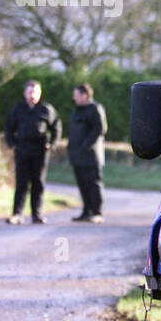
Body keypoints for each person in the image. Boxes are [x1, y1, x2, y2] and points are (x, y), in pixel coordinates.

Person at [4, 80, 59, 224]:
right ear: (25, 93)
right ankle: (17, 213)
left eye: (35, 92)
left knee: (38, 182)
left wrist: (52, 144)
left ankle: (37, 214)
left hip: (40, 150)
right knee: (21, 183)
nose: (33, 95)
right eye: (30, 92)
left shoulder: (46, 109)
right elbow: (8, 126)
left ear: (40, 93)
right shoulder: (18, 109)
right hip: (22, 149)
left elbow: (56, 127)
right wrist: (11, 143)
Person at [68, 83, 107, 223]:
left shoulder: (95, 109)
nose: (74, 98)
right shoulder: (77, 110)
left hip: (91, 155)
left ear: (85, 95)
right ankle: (86, 211)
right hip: (77, 155)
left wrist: (86, 145)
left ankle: (97, 212)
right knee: (82, 183)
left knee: (93, 183)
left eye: (76, 95)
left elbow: (99, 129)